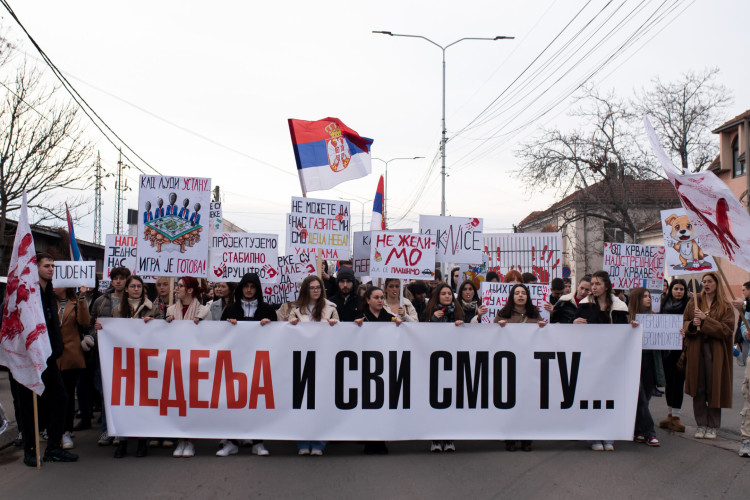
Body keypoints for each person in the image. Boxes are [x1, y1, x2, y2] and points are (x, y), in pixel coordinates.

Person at [12, 252, 78, 465]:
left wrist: (57, 348)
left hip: (48, 358)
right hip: (28, 359)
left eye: (52, 266)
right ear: (35, 268)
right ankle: (30, 451)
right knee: (29, 405)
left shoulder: (49, 293)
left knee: (61, 398)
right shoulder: (26, 295)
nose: (51, 269)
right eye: (46, 266)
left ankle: (53, 448)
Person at [98, 275, 160, 458]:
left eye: (139, 286)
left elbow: (162, 332)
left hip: (144, 362)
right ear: (126, 289)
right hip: (124, 363)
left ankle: (142, 441)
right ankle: (123, 441)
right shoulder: (117, 310)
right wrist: (101, 328)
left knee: (143, 402)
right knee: (125, 402)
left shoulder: (152, 308)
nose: (136, 289)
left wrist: (154, 323)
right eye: (132, 286)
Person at [216, 273, 275, 457]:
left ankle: (258, 441)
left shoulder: (267, 310)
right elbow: (220, 334)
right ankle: (231, 442)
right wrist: (228, 326)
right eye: (246, 286)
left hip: (259, 364)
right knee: (234, 402)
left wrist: (270, 326)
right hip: (236, 364)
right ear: (241, 288)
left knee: (258, 403)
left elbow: (279, 336)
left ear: (257, 289)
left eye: (253, 286)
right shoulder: (230, 310)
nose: (249, 290)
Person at [573, 270, 632, 452]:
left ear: (606, 286)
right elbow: (573, 327)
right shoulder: (584, 306)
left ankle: (608, 433)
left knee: (608, 396)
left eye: (598, 284)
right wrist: (574, 322)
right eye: (592, 284)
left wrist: (633, 328)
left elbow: (624, 332)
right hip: (591, 358)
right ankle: (593, 435)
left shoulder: (620, 307)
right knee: (592, 395)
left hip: (611, 359)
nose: (594, 287)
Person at [288, 275, 339, 456]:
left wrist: (335, 325)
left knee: (321, 403)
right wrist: (290, 324)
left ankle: (318, 443)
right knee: (302, 403)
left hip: (323, 360)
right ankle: (303, 441)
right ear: (305, 290)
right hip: (301, 360)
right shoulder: (295, 310)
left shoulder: (331, 309)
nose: (316, 290)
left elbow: (340, 334)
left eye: (318, 287)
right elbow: (285, 333)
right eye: (312, 287)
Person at [682, 272, 734, 440]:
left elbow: (726, 330)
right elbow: (685, 323)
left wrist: (705, 321)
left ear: (717, 284)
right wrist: (692, 325)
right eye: (704, 281)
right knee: (699, 388)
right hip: (697, 350)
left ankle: (713, 426)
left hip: (715, 352)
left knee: (714, 388)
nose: (706, 284)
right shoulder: (694, 301)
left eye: (709, 281)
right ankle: (701, 424)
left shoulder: (725, 306)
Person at [495, 283, 547, 451]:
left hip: (529, 365)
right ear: (512, 296)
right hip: (509, 365)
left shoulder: (534, 314)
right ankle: (510, 439)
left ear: (527, 296)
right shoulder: (503, 313)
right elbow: (491, 336)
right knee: (510, 402)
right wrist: (499, 326)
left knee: (527, 403)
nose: (520, 295)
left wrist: (542, 328)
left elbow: (543, 337)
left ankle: (527, 440)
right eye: (517, 293)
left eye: (523, 293)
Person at [354, 286, 402, 454]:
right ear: (368, 300)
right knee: (367, 402)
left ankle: (380, 439)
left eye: (382, 297)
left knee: (382, 403)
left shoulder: (390, 318)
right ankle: (368, 439)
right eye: (376, 297)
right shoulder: (360, 318)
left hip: (384, 366)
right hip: (365, 366)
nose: (380, 300)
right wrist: (355, 327)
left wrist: (399, 324)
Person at [166, 277, 210, 457]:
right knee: (178, 402)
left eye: (180, 286)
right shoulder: (170, 310)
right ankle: (179, 439)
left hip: (195, 363)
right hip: (176, 362)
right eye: (176, 286)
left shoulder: (204, 311)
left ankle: (190, 441)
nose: (176, 289)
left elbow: (213, 335)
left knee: (192, 402)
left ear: (190, 290)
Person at [90, 266, 131, 446]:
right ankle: (108, 429)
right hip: (106, 355)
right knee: (106, 392)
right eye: (115, 278)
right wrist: (95, 331)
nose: (118, 281)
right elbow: (90, 324)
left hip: (128, 355)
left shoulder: (135, 300)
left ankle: (124, 428)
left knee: (127, 393)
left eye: (122, 278)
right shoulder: (100, 302)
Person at [424, 283, 464, 452]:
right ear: (437, 296)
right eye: (444, 293)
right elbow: (421, 332)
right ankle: (435, 438)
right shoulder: (429, 313)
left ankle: (449, 438)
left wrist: (462, 325)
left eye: (450, 293)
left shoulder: (458, 313)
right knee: (435, 400)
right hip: (433, 362)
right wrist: (433, 319)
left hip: (453, 362)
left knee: (451, 400)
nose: (447, 296)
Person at [54, 285, 90, 451]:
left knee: (67, 394)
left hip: (70, 356)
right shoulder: (45, 302)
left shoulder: (75, 303)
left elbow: (84, 321)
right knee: (53, 395)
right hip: (52, 357)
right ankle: (52, 429)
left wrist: (82, 299)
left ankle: (66, 430)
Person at [627, 288, 660, 447]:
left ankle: (638, 429)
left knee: (646, 396)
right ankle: (650, 433)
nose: (648, 299)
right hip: (634, 360)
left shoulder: (655, 318)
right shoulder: (627, 319)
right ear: (636, 299)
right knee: (640, 397)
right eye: (644, 296)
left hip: (649, 360)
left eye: (649, 296)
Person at [658, 279, 689, 433]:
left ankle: (676, 416)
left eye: (681, 289)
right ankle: (670, 414)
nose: (678, 291)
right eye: (676, 288)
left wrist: (686, 330)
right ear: (671, 290)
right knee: (668, 382)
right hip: (666, 349)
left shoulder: (689, 305)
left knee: (678, 382)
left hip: (681, 351)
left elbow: (692, 324)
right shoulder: (663, 304)